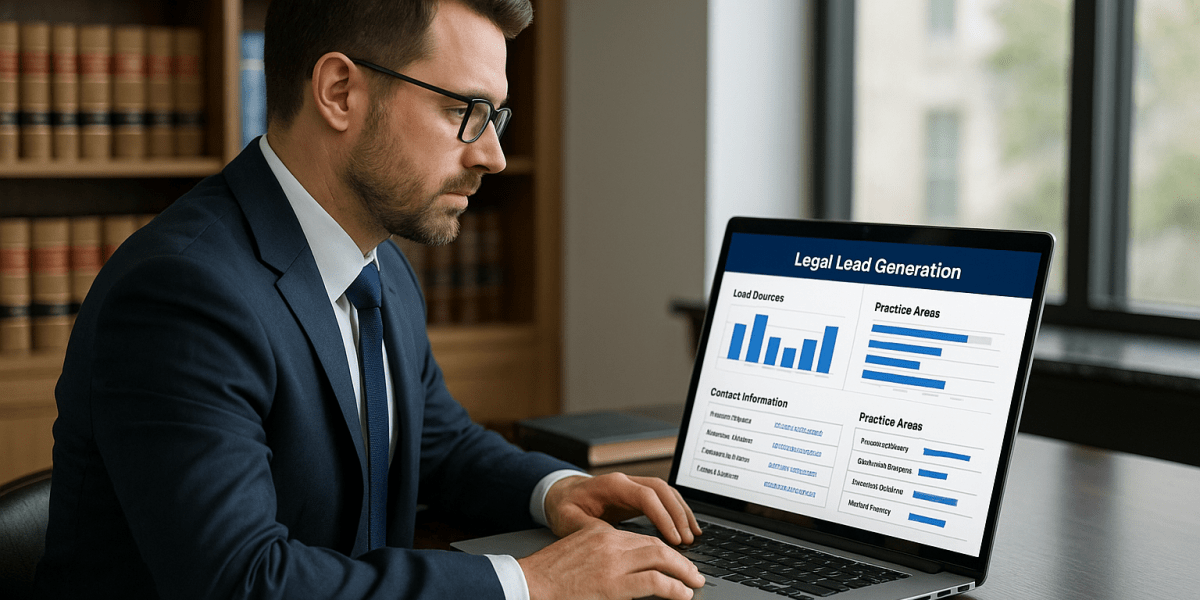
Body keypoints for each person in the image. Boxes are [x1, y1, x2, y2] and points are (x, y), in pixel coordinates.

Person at [33, 1, 706, 598]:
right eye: (462, 111)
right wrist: (532, 584)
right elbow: (242, 580)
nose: (493, 156)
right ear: (339, 91)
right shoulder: (184, 292)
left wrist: (556, 490)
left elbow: (435, 445)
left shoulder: (376, 260)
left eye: (494, 115)